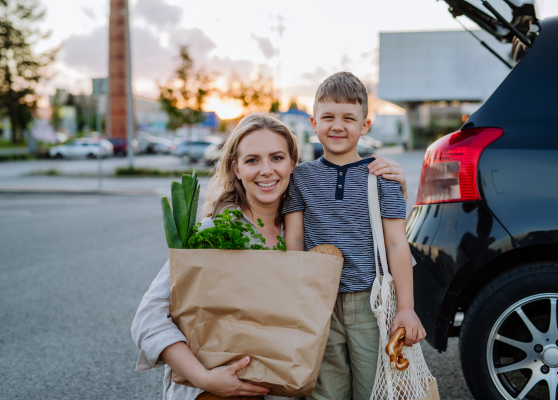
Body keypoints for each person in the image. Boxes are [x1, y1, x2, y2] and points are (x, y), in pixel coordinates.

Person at [131, 112, 410, 400]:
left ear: (293, 165)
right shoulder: (213, 231)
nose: (266, 170)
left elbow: (386, 247)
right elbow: (148, 319)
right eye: (252, 160)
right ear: (236, 168)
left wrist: (392, 191)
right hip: (214, 393)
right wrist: (205, 378)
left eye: (277, 158)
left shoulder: (310, 235)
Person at [283, 72, 426, 400]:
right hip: (320, 301)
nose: (337, 126)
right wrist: (295, 295)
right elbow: (294, 240)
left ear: (365, 126)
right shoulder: (301, 177)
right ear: (313, 123)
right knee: (325, 388)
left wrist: (406, 307)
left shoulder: (381, 176)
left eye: (349, 118)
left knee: (374, 386)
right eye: (328, 117)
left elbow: (396, 243)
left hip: (369, 302)